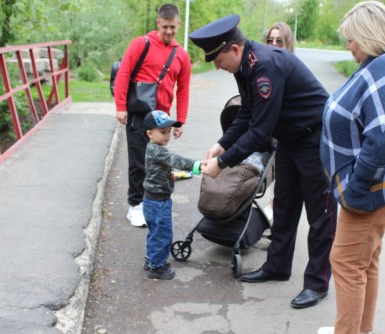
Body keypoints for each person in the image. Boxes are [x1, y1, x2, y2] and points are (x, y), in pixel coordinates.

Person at [189, 15, 337, 309]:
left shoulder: (264, 66)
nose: (217, 67)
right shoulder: (244, 66)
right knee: (283, 206)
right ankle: (277, 266)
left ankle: (317, 283)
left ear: (233, 49)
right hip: (290, 141)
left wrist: (223, 164)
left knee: (320, 215)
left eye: (217, 60)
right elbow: (246, 113)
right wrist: (222, 144)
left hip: (315, 139)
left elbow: (260, 131)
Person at [317, 2, 385, 333]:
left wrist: (354, 189)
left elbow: (381, 141)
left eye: (351, 38)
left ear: (368, 35)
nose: (348, 45)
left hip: (372, 193)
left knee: (347, 264)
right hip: (381, 188)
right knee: (365, 262)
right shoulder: (383, 61)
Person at [114, 4, 191, 227]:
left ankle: (149, 203)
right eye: (165, 27)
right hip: (139, 112)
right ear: (158, 23)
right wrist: (120, 105)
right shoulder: (142, 44)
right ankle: (135, 205)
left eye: (173, 28)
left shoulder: (181, 55)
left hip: (162, 117)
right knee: (138, 161)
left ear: (178, 24)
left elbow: (183, 89)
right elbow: (124, 73)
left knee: (156, 162)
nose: (168, 32)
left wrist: (180, 120)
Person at [141, 110, 202, 280]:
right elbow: (176, 160)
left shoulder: (154, 148)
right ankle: (158, 267)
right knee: (162, 235)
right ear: (149, 133)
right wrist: (197, 166)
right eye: (163, 132)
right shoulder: (157, 150)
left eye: (168, 131)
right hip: (158, 202)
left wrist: (169, 177)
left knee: (155, 232)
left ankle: (151, 260)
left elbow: (160, 170)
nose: (167, 136)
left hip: (152, 199)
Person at [262, 21, 295, 220]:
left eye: (279, 41)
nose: (274, 44)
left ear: (287, 43)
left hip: (289, 135)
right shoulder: (263, 68)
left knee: (283, 180)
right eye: (270, 40)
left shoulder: (292, 68)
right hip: (272, 132)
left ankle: (276, 209)